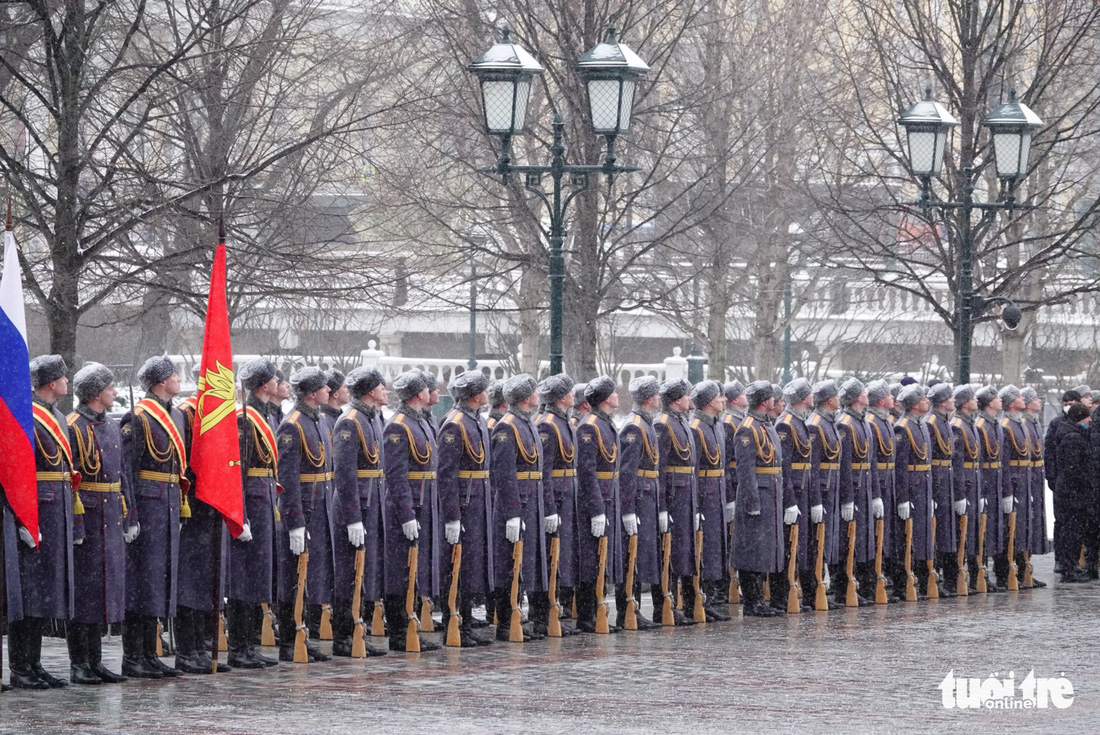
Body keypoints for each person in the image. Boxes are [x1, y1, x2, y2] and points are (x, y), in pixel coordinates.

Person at [7, 355, 80, 689]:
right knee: (30, 593)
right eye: (64, 377)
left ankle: (34, 663)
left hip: (58, 510)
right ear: (52, 383)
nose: (68, 382)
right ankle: (21, 665)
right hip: (37, 509)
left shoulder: (59, 417)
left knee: (45, 594)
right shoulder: (26, 416)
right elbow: (18, 471)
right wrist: (24, 517)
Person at [120, 355, 186, 678]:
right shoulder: (139, 418)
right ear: (161, 383)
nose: (178, 378)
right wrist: (129, 515)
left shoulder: (173, 416)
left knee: (158, 583)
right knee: (141, 583)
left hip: (169, 505)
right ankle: (133, 655)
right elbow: (128, 473)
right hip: (147, 507)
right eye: (173, 374)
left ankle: (149, 652)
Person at [66, 363, 130, 684]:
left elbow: (122, 475)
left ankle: (96, 661)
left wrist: (128, 514)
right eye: (110, 387)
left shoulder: (110, 426)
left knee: (104, 592)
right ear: (95, 393)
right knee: (85, 593)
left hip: (111, 516)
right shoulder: (73, 426)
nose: (114, 391)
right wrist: (75, 526)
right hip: (88, 515)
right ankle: (79, 663)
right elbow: (70, 481)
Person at [275, 366, 335, 663]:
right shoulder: (293, 425)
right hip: (305, 511)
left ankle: (304, 635)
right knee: (294, 577)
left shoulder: (320, 421)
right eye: (324, 387)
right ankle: (290, 639)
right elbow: (286, 479)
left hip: (321, 508)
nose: (328, 391)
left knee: (314, 575)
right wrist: (295, 521)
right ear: (312, 393)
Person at [330, 366, 391, 657]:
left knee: (368, 571)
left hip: (374, 502)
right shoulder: (350, 421)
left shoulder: (373, 418)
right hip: (357, 506)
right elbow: (344, 474)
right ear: (370, 391)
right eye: (381, 386)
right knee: (349, 572)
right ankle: (345, 635)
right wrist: (353, 516)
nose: (385, 390)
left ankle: (360, 629)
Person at [226, 358, 281, 669]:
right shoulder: (245, 419)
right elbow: (240, 472)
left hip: (264, 502)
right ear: (264, 385)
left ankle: (248, 646)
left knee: (256, 577)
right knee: (243, 579)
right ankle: (239, 647)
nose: (277, 382)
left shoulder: (263, 415)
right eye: (273, 379)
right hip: (251, 505)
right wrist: (240, 515)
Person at [176, 368, 232, 674]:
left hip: (214, 504)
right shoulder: (187, 414)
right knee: (191, 582)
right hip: (195, 505)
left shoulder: (220, 413)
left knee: (210, 581)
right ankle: (188, 650)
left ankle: (202, 647)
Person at [381, 370, 441, 652]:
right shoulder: (399, 426)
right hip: (409, 506)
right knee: (401, 570)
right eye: (427, 389)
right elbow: (396, 475)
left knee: (418, 567)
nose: (432, 392)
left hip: (425, 504)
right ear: (419, 394)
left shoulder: (422, 423)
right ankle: (400, 630)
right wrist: (406, 513)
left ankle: (412, 624)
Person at [436, 370, 495, 646]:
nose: (487, 393)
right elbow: (446, 474)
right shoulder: (454, 424)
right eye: (484, 390)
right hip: (464, 501)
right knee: (458, 564)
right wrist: (451, 515)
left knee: (473, 564)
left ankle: (468, 621)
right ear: (475, 395)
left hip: (479, 500)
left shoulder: (477, 420)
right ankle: (454, 621)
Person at [490, 374, 548, 641]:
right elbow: (504, 474)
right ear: (526, 398)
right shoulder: (507, 427)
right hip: (516, 504)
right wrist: (512, 512)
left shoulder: (527, 423)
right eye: (535, 392)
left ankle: (518, 616)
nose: (538, 396)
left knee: (527, 562)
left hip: (531, 500)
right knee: (509, 563)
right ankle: (506, 621)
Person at [730, 380, 787, 617]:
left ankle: (765, 599)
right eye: (771, 397)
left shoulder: (766, 425)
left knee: (767, 548)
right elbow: (746, 469)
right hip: (758, 495)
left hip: (772, 492)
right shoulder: (748, 428)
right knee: (752, 549)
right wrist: (752, 502)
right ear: (765, 401)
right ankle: (752, 601)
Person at [575, 376, 623, 633]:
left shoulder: (605, 423)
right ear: (605, 399)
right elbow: (586, 472)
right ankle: (587, 615)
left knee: (604, 557)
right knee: (592, 559)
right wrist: (595, 509)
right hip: (597, 500)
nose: (617, 396)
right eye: (613, 393)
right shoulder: (589, 426)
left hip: (609, 496)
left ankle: (598, 610)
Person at [615, 376, 663, 630]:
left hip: (648, 496)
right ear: (648, 398)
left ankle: (633, 609)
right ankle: (627, 610)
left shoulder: (645, 424)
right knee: (632, 556)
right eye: (655, 394)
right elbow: (627, 472)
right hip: (639, 498)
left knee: (642, 556)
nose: (658, 398)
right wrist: (628, 510)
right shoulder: (635, 427)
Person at [537, 374, 581, 635]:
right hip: (557, 498)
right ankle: (545, 615)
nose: (574, 396)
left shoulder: (563, 422)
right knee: (552, 558)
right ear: (562, 397)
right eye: (571, 392)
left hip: (568, 497)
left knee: (564, 558)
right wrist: (550, 507)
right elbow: (544, 472)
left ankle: (558, 611)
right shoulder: (548, 425)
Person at [654, 378, 698, 626]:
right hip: (672, 497)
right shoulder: (663, 425)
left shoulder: (681, 422)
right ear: (676, 400)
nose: (689, 400)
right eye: (685, 396)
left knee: (682, 552)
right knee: (669, 553)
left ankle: (679, 603)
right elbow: (659, 469)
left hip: (685, 496)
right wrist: (661, 507)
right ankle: (665, 606)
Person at [688, 380, 731, 621]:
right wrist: (696, 504)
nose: (723, 400)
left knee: (716, 547)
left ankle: (712, 598)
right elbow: (693, 469)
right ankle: (701, 598)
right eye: (718, 397)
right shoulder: (696, 427)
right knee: (705, 548)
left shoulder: (716, 426)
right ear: (708, 402)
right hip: (705, 493)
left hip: (718, 490)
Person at [835, 378, 876, 606]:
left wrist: (876, 493)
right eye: (863, 392)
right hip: (854, 489)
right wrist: (847, 498)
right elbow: (845, 466)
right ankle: (844, 587)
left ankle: (858, 584)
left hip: (865, 487)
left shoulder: (862, 422)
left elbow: (871, 462)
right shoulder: (846, 424)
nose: (866, 395)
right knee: (848, 541)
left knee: (862, 540)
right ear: (857, 397)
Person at [892, 384, 934, 598]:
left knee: (922, 536)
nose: (927, 402)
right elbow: (900, 467)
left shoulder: (921, 425)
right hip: (912, 487)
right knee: (907, 538)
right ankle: (903, 584)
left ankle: (918, 580)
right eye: (924, 399)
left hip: (923, 487)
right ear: (916, 405)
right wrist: (903, 498)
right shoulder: (903, 427)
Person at [776, 379, 812, 608]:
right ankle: (782, 594)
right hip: (795, 491)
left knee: (804, 544)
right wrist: (789, 500)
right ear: (801, 398)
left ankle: (801, 591)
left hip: (805, 489)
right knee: (790, 545)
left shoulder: (800, 421)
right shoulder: (786, 424)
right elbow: (784, 467)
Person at [807, 380, 842, 609]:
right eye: (836, 396)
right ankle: (813, 591)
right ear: (829, 400)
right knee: (816, 542)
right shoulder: (816, 424)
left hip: (833, 487)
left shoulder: (829, 422)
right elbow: (813, 466)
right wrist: (816, 499)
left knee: (828, 541)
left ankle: (821, 588)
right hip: (823, 488)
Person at [1053, 403, 1092, 584]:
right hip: (1073, 493)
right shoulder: (1073, 438)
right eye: (1087, 417)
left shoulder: (1070, 434)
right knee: (1072, 530)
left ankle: (1071, 565)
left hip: (1070, 490)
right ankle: (1069, 568)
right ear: (1079, 418)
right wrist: (1087, 483)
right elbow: (1075, 468)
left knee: (1071, 529)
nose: (1090, 420)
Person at [866, 380, 897, 601]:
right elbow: (873, 461)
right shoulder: (872, 422)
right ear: (880, 400)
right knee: (874, 535)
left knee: (887, 535)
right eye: (888, 395)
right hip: (877, 483)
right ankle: (869, 582)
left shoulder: (883, 421)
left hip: (889, 482)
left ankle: (881, 579)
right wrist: (876, 493)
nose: (893, 397)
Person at [998, 385, 1032, 590]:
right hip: (1013, 480)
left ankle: (1020, 568)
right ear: (1011, 403)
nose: (1023, 399)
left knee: (1021, 528)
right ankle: (1005, 572)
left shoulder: (1020, 423)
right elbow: (1003, 461)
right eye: (1019, 397)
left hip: (1024, 481)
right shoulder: (1006, 425)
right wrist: (1007, 489)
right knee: (1009, 529)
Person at [925, 383, 957, 598]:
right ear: (944, 402)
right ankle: (934, 577)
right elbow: (930, 459)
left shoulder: (943, 422)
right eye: (951, 398)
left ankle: (948, 578)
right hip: (937, 481)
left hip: (947, 480)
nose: (954, 401)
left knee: (947, 531)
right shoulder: (932, 423)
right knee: (936, 533)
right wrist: (934, 490)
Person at [975, 386, 1007, 592]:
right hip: (985, 483)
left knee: (996, 529)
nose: (1000, 401)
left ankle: (996, 573)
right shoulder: (981, 426)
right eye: (996, 398)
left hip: (996, 481)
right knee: (982, 532)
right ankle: (980, 573)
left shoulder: (994, 424)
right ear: (989, 403)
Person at [950, 384, 982, 594]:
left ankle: (970, 574)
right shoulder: (958, 426)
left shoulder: (970, 424)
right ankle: (957, 576)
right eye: (972, 398)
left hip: (975, 482)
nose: (976, 401)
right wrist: (960, 492)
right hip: (966, 482)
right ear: (964, 403)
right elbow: (958, 462)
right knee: (962, 532)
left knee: (972, 532)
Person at [720, 380, 747, 604]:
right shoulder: (729, 422)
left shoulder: (739, 420)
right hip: (732, 483)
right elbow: (728, 462)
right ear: (735, 399)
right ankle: (724, 587)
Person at [1021, 387, 1049, 587]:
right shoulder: (1023, 423)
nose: (1039, 401)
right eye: (1036, 399)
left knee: (1032, 524)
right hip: (1027, 477)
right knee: (1023, 525)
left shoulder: (1033, 422)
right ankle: (1021, 569)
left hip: (1035, 477)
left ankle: (1027, 568)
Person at [319, 368, 347, 437]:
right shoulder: (323, 421)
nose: (348, 390)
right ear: (335, 394)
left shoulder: (344, 417)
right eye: (345, 387)